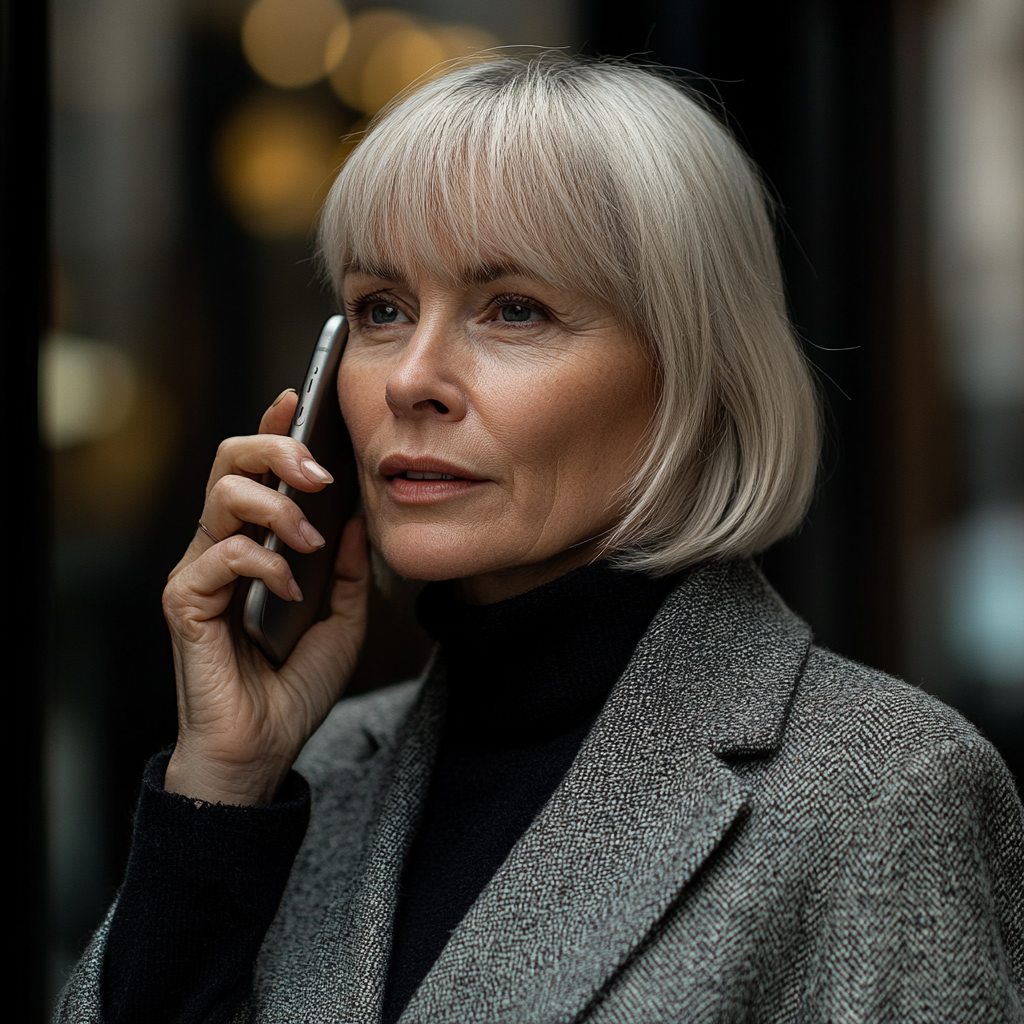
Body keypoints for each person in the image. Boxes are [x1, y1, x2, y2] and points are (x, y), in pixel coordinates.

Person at [56, 53, 1023, 1023]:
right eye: (380, 309)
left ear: (691, 374)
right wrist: (219, 789)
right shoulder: (313, 772)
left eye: (513, 309)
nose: (408, 379)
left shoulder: (884, 789)